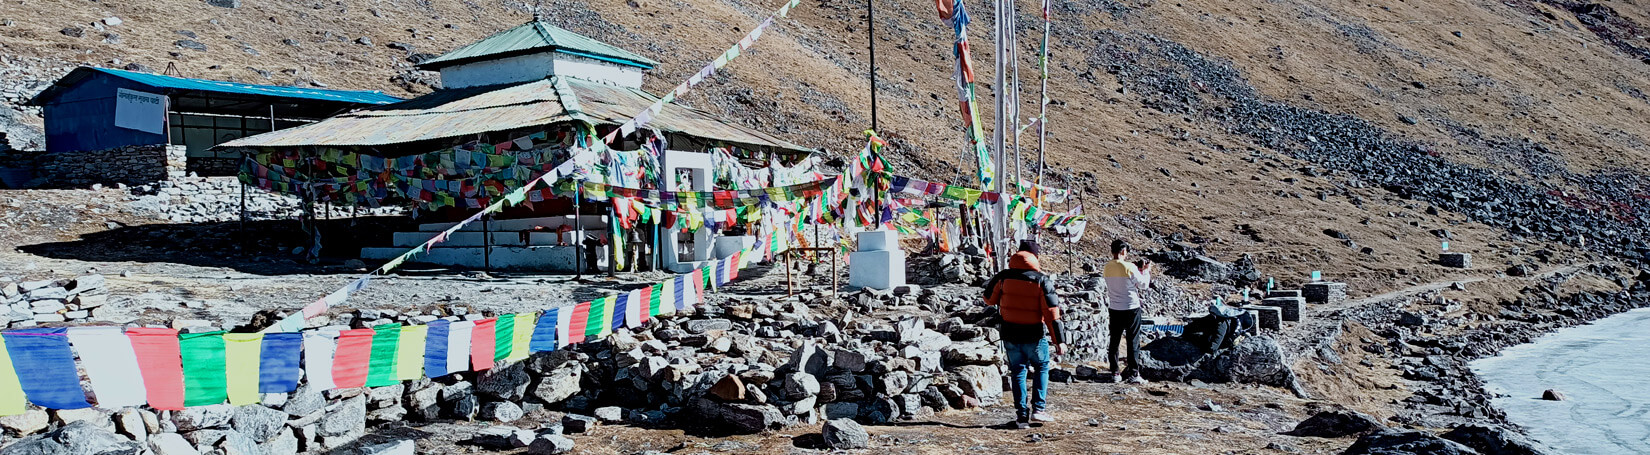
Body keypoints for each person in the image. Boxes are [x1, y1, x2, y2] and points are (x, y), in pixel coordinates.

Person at [983, 240, 1066, 428]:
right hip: (1033, 334)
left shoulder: (1003, 277)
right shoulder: (1042, 280)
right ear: (1035, 257)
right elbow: (1052, 313)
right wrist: (1058, 340)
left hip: (1009, 334)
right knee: (1042, 366)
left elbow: (988, 299)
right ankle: (1038, 410)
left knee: (1018, 372)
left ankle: (1021, 417)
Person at [1103, 239, 1152, 384]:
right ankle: (1134, 373)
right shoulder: (1130, 267)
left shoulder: (1107, 267)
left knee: (1114, 340)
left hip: (1115, 307)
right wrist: (1146, 272)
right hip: (1131, 307)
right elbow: (1143, 285)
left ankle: (1115, 372)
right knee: (1133, 341)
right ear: (1123, 251)